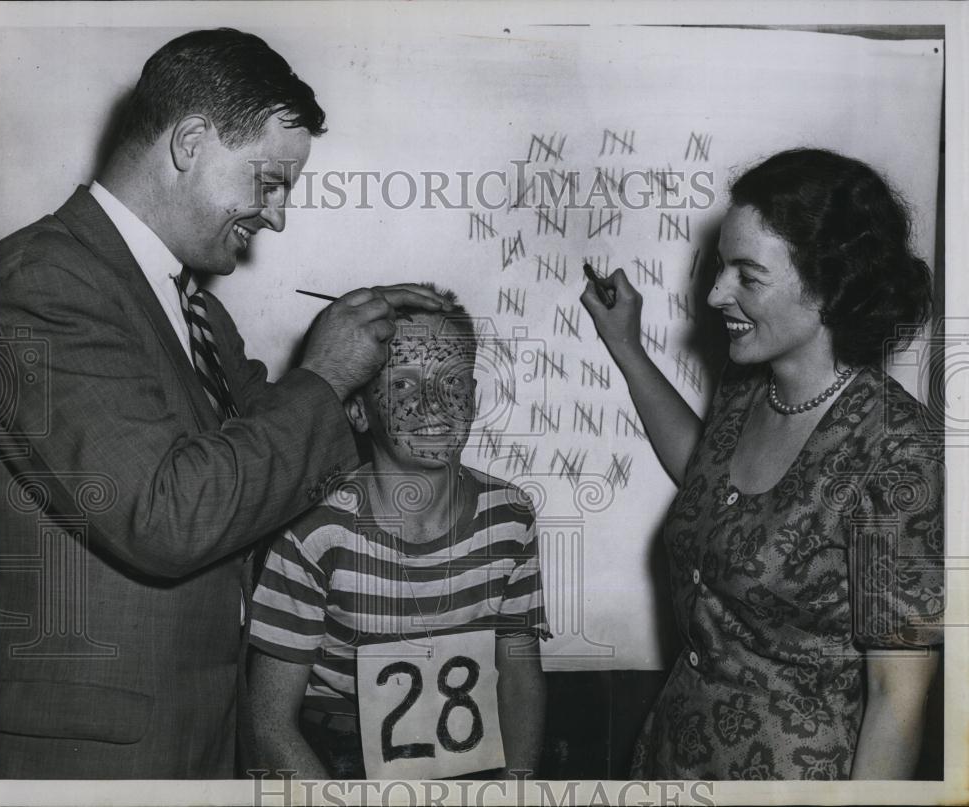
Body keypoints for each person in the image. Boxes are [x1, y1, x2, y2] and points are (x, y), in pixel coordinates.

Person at [0, 28, 447, 779]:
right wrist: (326, 378)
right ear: (191, 142)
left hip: (191, 740)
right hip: (90, 765)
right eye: (269, 181)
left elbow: (260, 483)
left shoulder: (194, 309)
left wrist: (375, 386)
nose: (276, 216)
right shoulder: (44, 281)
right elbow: (168, 515)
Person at [581, 149, 943, 780]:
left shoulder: (897, 452)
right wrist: (626, 347)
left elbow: (898, 699)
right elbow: (709, 479)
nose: (717, 292)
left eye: (748, 276)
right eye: (721, 267)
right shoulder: (749, 385)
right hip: (673, 759)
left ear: (832, 286)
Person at [248, 287, 549, 779]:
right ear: (358, 410)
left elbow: (519, 678)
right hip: (337, 762)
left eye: (451, 382)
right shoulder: (316, 531)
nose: (434, 404)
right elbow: (269, 725)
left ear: (473, 399)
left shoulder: (509, 516)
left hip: (472, 762)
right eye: (404, 386)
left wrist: (513, 790)